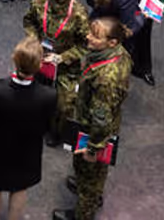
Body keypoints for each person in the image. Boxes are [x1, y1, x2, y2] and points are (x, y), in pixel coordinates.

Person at [53, 17, 133, 220]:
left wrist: (93, 148)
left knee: (90, 171)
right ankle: (90, 191)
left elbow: (101, 118)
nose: (88, 37)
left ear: (112, 42)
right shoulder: (118, 53)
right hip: (99, 123)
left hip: (94, 131)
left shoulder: (106, 78)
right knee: (95, 173)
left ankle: (83, 212)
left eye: (95, 36)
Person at [0, 37, 57, 220]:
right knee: (19, 187)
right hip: (26, 150)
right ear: (39, 65)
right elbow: (48, 125)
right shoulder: (49, 95)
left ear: (14, 58)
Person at [22, 0, 90, 147]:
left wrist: (62, 57)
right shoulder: (39, 2)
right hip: (41, 58)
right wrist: (34, 40)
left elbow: (86, 44)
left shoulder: (78, 13)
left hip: (66, 66)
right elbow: (29, 22)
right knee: (33, 94)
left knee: (64, 105)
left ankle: (55, 132)